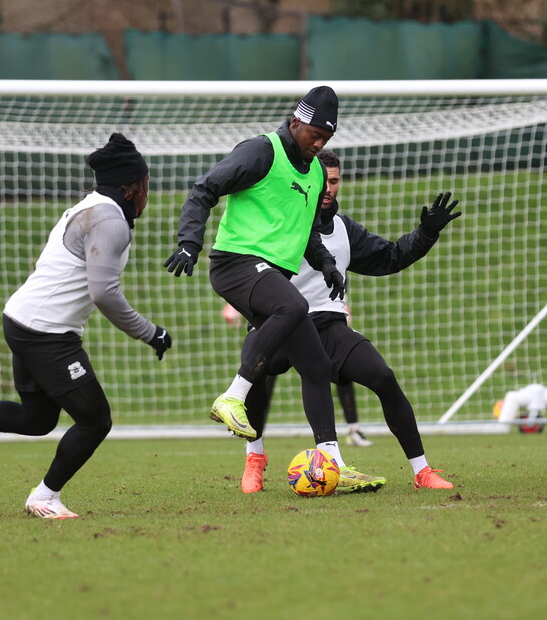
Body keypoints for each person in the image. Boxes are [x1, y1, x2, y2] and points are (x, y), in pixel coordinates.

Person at [0, 133, 173, 518]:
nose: (147, 193)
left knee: (37, 419)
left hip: (23, 320)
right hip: (46, 332)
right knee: (95, 420)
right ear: (130, 188)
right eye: (145, 185)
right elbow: (104, 293)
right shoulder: (110, 221)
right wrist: (150, 332)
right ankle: (44, 496)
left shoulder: (92, 206)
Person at [164, 85, 384, 492]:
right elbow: (204, 189)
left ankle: (333, 461)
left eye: (327, 138)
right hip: (234, 264)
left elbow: (305, 234)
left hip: (270, 275)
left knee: (316, 366)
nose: (319, 143)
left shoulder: (316, 173)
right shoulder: (262, 151)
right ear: (296, 122)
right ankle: (232, 397)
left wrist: (327, 264)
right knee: (294, 306)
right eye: (314, 134)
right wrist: (189, 242)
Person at [239, 148, 462, 493]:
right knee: (254, 371)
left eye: (335, 181)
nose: (329, 188)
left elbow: (390, 257)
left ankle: (422, 471)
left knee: (383, 377)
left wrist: (426, 234)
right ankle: (255, 457)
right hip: (281, 321)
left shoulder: (344, 229)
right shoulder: (281, 221)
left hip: (328, 324)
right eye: (323, 181)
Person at [222, 301, 371, 446]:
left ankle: (352, 429)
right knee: (263, 371)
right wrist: (233, 304)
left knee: (337, 365)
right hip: (281, 314)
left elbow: (337, 282)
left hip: (318, 315)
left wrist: (342, 304)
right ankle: (254, 440)